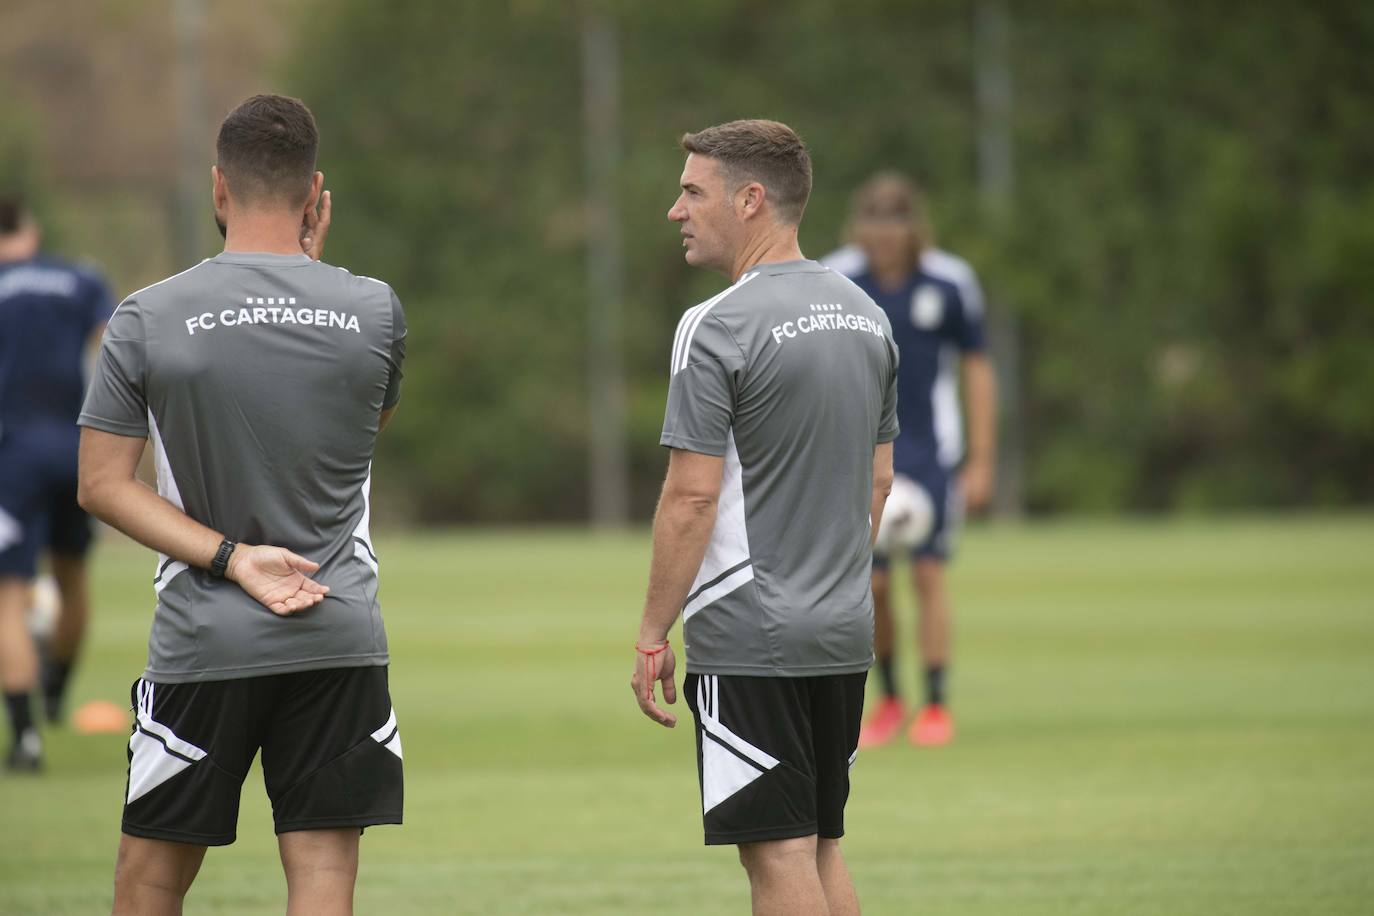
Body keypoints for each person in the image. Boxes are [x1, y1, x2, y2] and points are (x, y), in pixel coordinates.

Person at [76, 94, 405, 916]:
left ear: (218, 190)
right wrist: (314, 278)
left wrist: (232, 558)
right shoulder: (374, 310)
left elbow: (102, 484)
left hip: (205, 638)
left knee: (149, 878)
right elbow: (361, 429)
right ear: (315, 194)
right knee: (324, 876)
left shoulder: (146, 316)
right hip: (337, 629)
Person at [630, 119, 898, 916]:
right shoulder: (866, 315)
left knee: (778, 855)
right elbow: (879, 481)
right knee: (819, 844)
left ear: (751, 201)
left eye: (691, 191)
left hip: (751, 632)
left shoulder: (714, 325)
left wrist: (652, 631)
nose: (676, 210)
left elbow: (691, 498)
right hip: (845, 627)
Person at [822, 172, 998, 748]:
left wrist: (980, 462)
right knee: (870, 585)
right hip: (858, 456)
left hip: (930, 455)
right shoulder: (836, 278)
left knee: (927, 572)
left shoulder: (949, 282)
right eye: (874, 219)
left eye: (896, 219)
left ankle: (937, 703)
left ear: (913, 225)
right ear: (860, 227)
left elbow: (977, 367)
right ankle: (891, 699)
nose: (885, 233)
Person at [0, 195, 114, 770]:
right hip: (76, 450)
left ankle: (24, 738)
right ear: (32, 227)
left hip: (10, 456)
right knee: (72, 577)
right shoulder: (78, 277)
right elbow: (116, 344)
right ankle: (55, 691)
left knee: (10, 595)